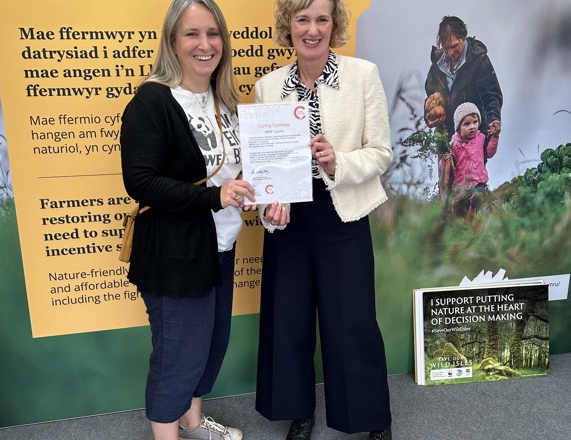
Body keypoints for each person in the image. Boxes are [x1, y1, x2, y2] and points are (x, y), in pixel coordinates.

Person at [253, 1, 393, 439]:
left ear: (335, 25)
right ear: (287, 26)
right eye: (302, 19)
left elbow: (383, 153)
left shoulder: (362, 76)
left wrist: (339, 161)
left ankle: (370, 417)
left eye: (321, 19)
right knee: (288, 317)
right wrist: (268, 208)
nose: (311, 30)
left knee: (351, 320)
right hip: (289, 218)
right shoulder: (268, 86)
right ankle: (299, 412)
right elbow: (263, 168)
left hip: (343, 211)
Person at [119, 1, 255, 439]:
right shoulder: (153, 100)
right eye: (192, 34)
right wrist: (216, 196)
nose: (205, 44)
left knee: (210, 347)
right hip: (176, 252)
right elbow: (141, 182)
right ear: (172, 43)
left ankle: (193, 422)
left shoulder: (225, 100)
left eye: (213, 34)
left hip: (220, 245)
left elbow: (234, 173)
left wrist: (260, 190)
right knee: (178, 355)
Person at [424, 16, 503, 139]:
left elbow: (491, 95)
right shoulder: (437, 66)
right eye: (446, 48)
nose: (450, 53)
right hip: (445, 139)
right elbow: (431, 97)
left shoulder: (479, 61)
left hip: (474, 137)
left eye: (454, 46)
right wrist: (429, 116)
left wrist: (494, 119)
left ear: (464, 37)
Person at [442, 102, 499, 223]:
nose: (472, 126)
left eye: (475, 122)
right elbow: (447, 166)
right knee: (457, 211)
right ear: (458, 128)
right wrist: (445, 158)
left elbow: (489, 152)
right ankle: (460, 225)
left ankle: (471, 217)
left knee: (477, 198)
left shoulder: (481, 138)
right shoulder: (454, 144)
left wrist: (494, 137)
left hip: (478, 182)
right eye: (466, 124)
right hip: (461, 185)